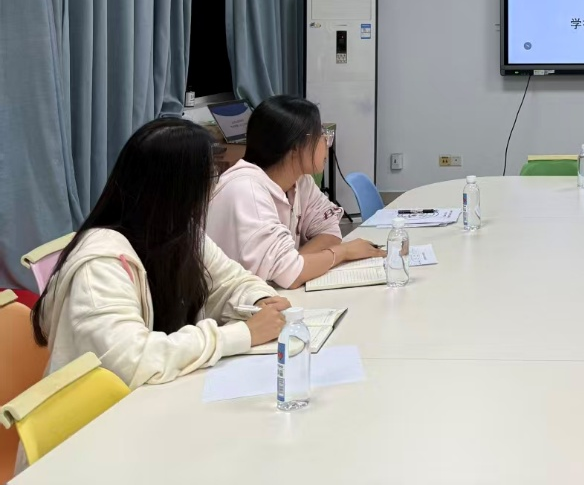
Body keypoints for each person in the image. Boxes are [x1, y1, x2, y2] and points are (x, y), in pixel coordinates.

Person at [31, 119, 288, 390]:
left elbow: (231, 280)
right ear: (178, 188)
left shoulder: (179, 232)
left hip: (160, 393)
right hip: (101, 410)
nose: (212, 189)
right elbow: (132, 361)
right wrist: (241, 334)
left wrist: (259, 301)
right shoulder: (100, 263)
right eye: (211, 177)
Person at [206, 95, 384, 289]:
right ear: (296, 147)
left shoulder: (300, 181)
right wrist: (344, 252)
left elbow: (329, 231)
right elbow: (291, 276)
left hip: (266, 295)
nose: (326, 142)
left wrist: (297, 263)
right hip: (231, 304)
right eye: (321, 135)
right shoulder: (246, 190)